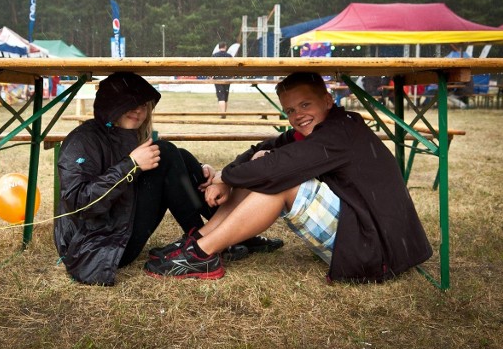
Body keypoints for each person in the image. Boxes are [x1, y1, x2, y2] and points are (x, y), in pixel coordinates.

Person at [145, 72, 433, 283]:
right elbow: (265, 148)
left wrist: (228, 177)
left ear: (328, 100)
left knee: (281, 178)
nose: (298, 115)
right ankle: (200, 244)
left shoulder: (338, 132)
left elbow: (274, 168)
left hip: (378, 251)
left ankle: (202, 254)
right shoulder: (316, 130)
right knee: (266, 166)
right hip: (364, 234)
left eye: (306, 105)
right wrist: (226, 176)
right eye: (291, 110)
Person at [54, 72, 282, 286]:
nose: (138, 111)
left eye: (144, 105)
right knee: (166, 153)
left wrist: (197, 171)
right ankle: (205, 247)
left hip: (115, 228)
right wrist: (131, 164)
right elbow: (80, 204)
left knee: (177, 156)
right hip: (93, 247)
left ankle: (230, 236)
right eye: (130, 103)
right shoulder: (82, 141)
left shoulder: (126, 135)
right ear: (111, 104)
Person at [211, 42, 232, 118]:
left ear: (219, 47)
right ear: (225, 47)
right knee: (226, 96)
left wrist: (211, 76)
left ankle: (223, 113)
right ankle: (224, 112)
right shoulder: (229, 56)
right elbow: (232, 67)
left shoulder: (214, 56)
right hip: (227, 78)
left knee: (221, 96)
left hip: (218, 78)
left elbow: (211, 67)